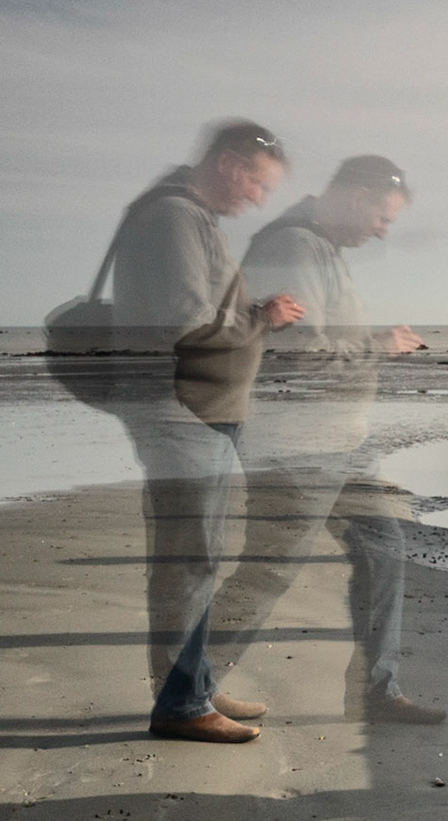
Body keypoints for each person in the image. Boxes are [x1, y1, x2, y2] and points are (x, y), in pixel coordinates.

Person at [208, 154, 444, 724]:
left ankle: (377, 692)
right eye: (383, 218)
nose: (384, 231)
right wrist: (377, 347)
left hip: (341, 442)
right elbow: (294, 358)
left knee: (385, 553)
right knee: (270, 567)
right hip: (296, 444)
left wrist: (369, 344)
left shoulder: (319, 249)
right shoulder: (293, 246)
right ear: (358, 196)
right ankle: (187, 688)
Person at [110, 120, 304, 744]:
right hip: (182, 410)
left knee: (201, 555)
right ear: (228, 164)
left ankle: (193, 684)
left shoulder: (188, 217)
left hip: (200, 410)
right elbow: (184, 322)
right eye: (257, 183)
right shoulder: (174, 218)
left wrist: (254, 316)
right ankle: (180, 705)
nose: (258, 199)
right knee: (188, 559)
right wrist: (260, 315)